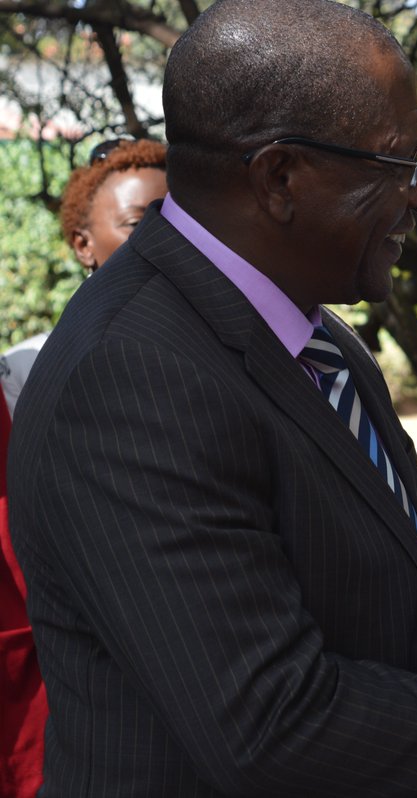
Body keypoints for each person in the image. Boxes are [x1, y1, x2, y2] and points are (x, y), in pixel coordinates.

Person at [7, 2, 417, 796]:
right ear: (280, 177)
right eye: (400, 164)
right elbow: (274, 724)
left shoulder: (318, 337)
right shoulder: (131, 378)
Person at [0, 137, 167, 798]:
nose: (165, 240)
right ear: (82, 244)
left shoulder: (271, 348)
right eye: (138, 222)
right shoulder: (30, 374)